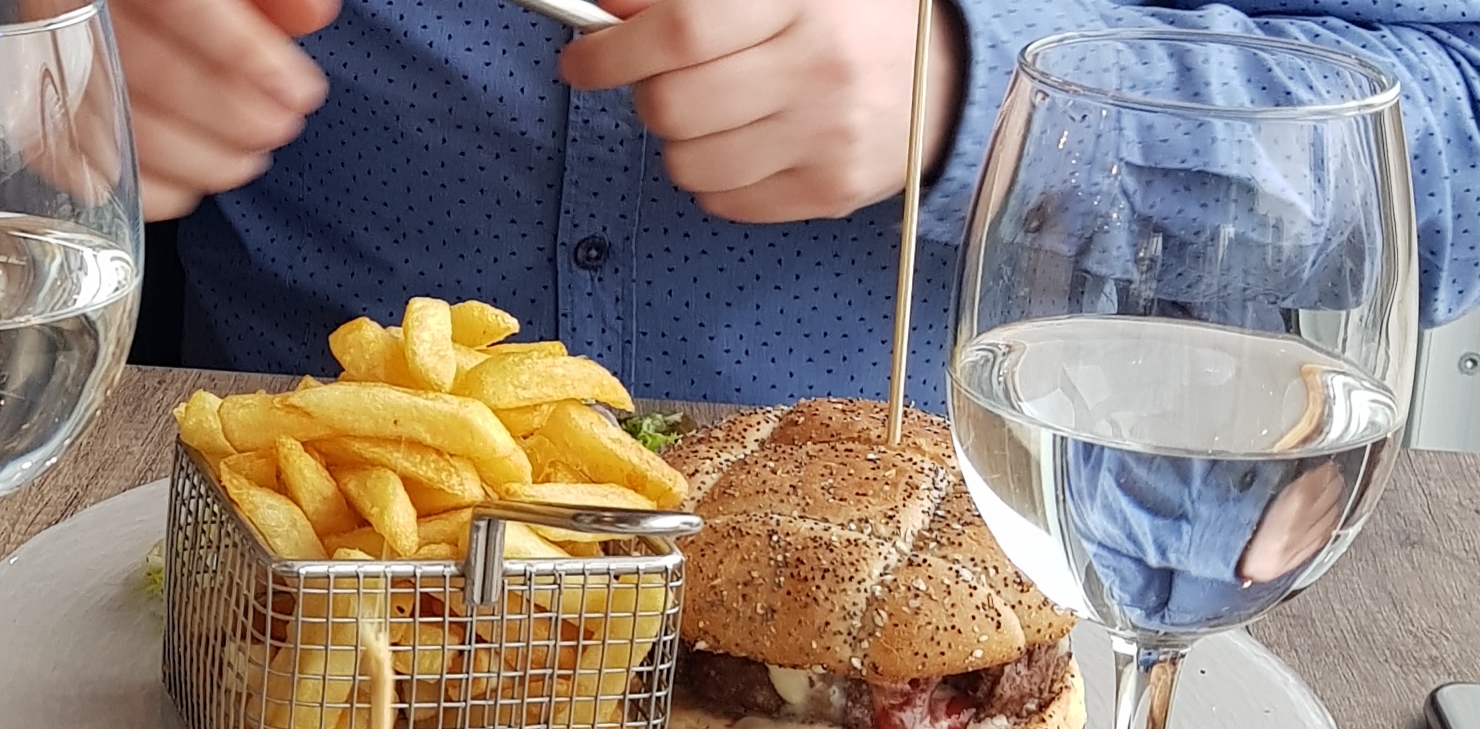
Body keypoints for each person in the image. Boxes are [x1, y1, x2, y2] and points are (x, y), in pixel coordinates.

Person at [117, 0, 1480, 405]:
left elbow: (1451, 152)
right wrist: (41, 53)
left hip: (1008, 635)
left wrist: (979, 91)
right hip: (297, 633)